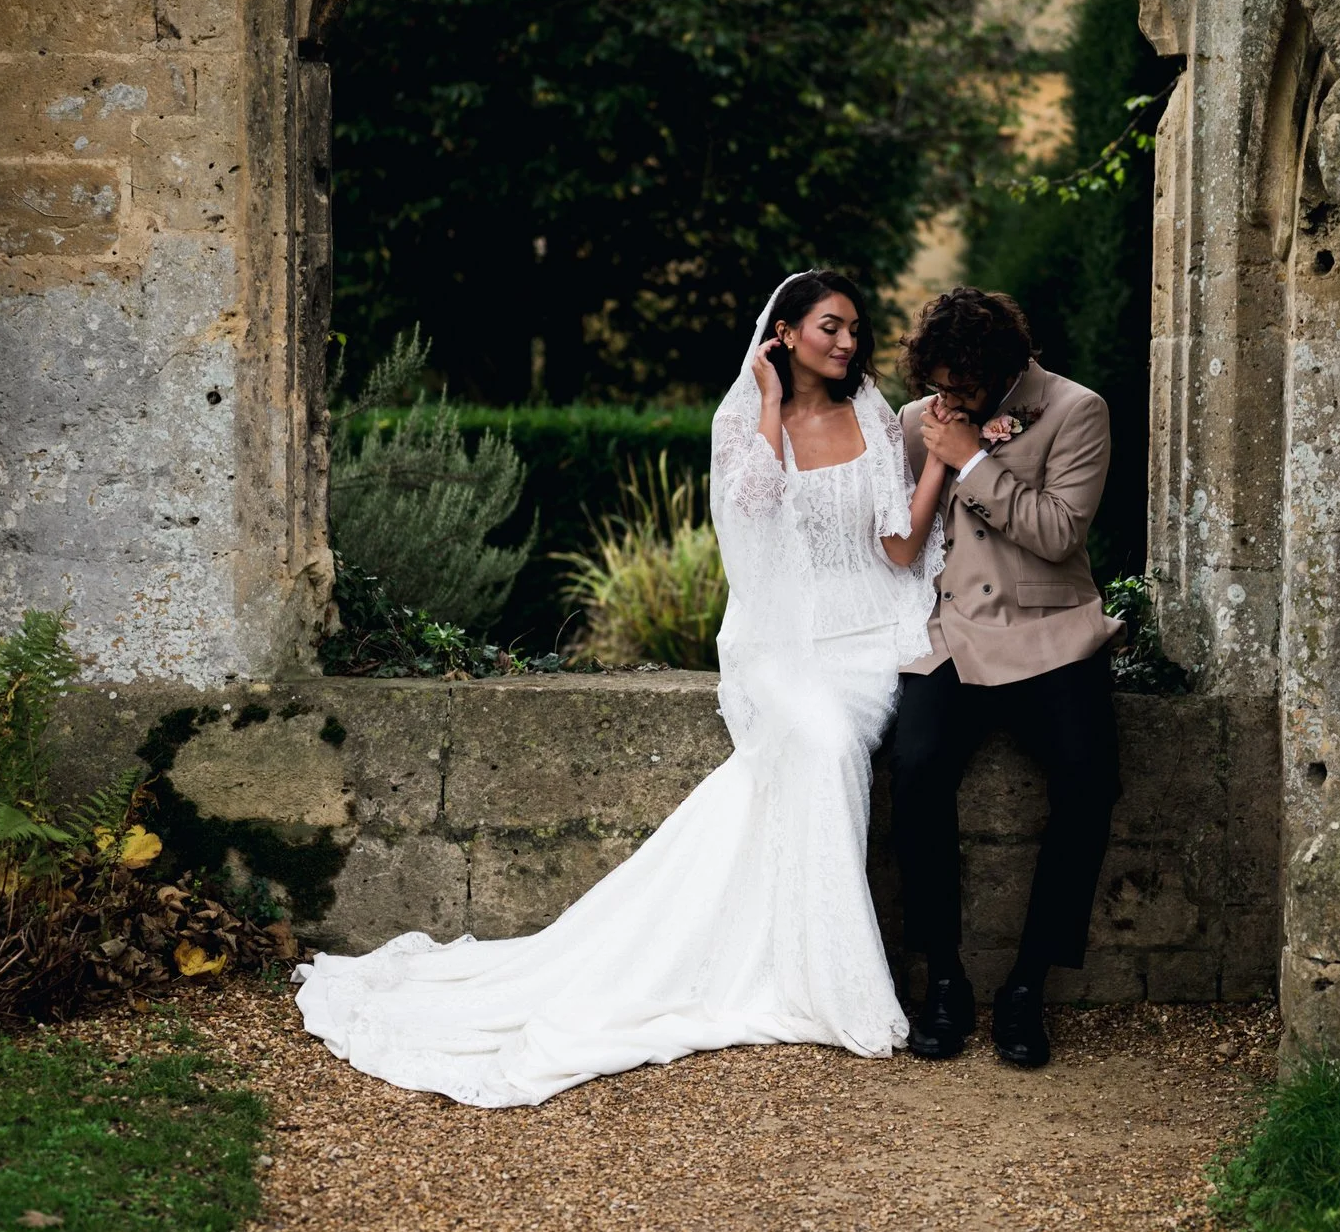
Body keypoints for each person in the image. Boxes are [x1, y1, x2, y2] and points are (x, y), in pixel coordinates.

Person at [293, 272, 948, 1106]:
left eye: (856, 327)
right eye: (831, 326)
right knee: (816, 741)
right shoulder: (741, 417)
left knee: (814, 755)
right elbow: (755, 518)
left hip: (873, 636)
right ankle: (828, 980)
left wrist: (948, 466)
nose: (849, 342)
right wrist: (769, 405)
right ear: (783, 332)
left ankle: (797, 962)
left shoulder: (873, 413)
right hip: (787, 641)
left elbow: (898, 547)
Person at [891, 287, 1121, 1070]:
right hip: (952, 633)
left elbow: (1059, 534)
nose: (945, 400)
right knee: (915, 767)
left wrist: (975, 461)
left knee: (1090, 780)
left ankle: (1028, 984)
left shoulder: (1077, 410)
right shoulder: (915, 418)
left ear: (1006, 368)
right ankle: (945, 979)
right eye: (939, 383)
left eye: (962, 386)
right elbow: (905, 537)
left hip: (1049, 631)